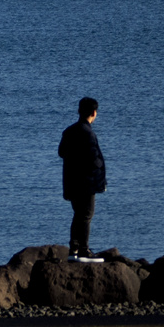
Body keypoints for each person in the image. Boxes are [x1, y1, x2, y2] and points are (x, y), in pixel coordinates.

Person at [57, 97, 106, 263]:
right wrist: (100, 165)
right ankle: (84, 250)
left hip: (71, 182)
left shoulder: (69, 131)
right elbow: (93, 158)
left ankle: (74, 249)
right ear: (94, 113)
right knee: (86, 214)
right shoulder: (88, 133)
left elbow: (61, 152)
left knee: (78, 215)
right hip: (86, 182)